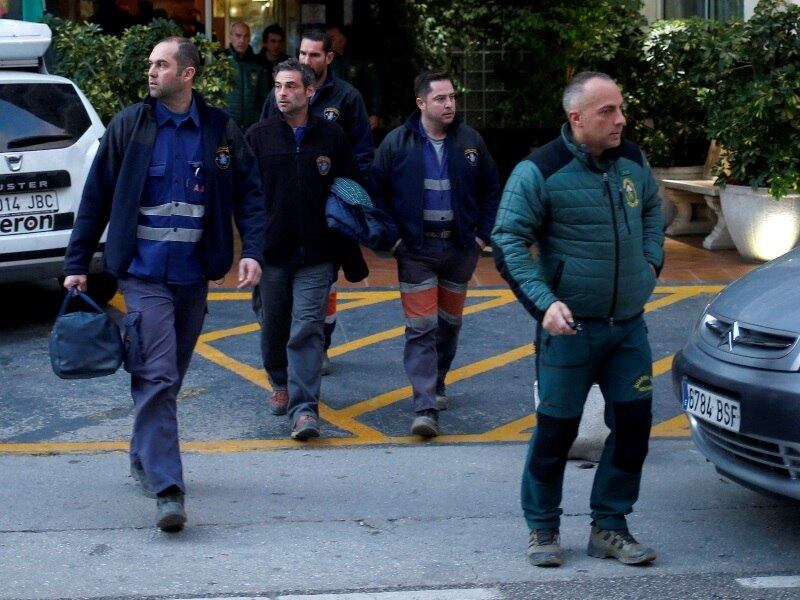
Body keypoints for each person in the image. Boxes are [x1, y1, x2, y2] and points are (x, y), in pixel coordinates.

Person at [62, 37, 265, 533]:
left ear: (188, 74)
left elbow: (250, 194)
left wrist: (254, 251)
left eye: (161, 64)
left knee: (166, 376)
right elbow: (97, 196)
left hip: (195, 277)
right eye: (150, 64)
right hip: (143, 275)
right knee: (156, 376)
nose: (150, 72)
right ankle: (168, 488)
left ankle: (143, 451)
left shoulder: (219, 131)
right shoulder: (130, 126)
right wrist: (77, 260)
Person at [491, 71, 664, 567]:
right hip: (570, 330)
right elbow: (507, 240)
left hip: (628, 325)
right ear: (576, 118)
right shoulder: (539, 170)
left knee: (633, 427)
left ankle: (610, 526)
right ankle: (543, 528)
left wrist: (651, 262)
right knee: (556, 432)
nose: (620, 120)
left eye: (621, 108)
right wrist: (545, 303)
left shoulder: (632, 159)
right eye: (607, 111)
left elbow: (653, 207)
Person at [370, 70, 500, 437]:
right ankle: (424, 406)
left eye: (452, 97)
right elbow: (374, 195)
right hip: (415, 250)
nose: (449, 104)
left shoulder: (470, 141)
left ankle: (438, 381)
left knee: (449, 325)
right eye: (441, 98)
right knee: (421, 329)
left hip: (460, 249)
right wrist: (393, 241)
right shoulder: (397, 143)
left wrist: (481, 238)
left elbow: (492, 188)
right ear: (421, 103)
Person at [246, 58, 363, 441]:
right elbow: (245, 198)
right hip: (273, 254)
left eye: (291, 86)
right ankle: (279, 381)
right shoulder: (259, 137)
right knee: (274, 327)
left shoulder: (332, 137)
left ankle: (304, 409)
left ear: (309, 92)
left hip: (317, 254)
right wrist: (250, 248)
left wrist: (352, 244)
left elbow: (349, 191)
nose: (283, 93)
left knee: (307, 329)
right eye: (278, 86)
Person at [260, 26, 373, 376]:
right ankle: (287, 367)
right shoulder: (278, 95)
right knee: (276, 304)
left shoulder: (348, 98)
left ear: (328, 58)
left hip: (326, 219)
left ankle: (319, 345)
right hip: (281, 222)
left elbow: (362, 156)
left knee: (324, 288)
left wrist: (347, 202)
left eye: (313, 55)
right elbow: (265, 147)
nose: (306, 59)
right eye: (303, 53)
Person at [327, 24, 382, 130]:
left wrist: (375, 114)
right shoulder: (329, 61)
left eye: (332, 37)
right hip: (335, 114)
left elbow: (374, 88)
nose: (329, 41)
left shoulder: (360, 61)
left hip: (359, 114)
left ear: (343, 38)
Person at [224, 22, 270, 131]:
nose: (242, 40)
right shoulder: (221, 62)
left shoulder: (258, 64)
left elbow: (264, 97)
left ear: (250, 38)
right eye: (238, 36)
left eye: (246, 36)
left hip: (252, 127)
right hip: (226, 126)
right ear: (230, 36)